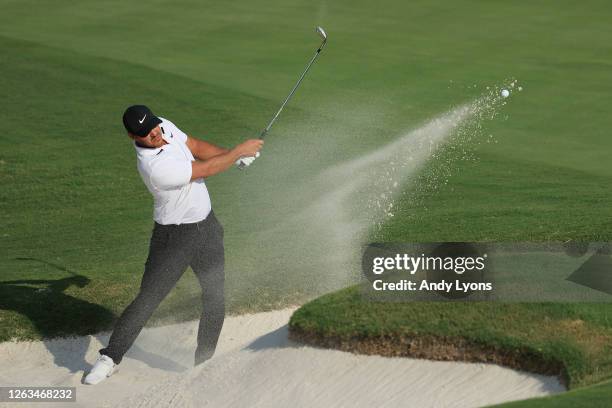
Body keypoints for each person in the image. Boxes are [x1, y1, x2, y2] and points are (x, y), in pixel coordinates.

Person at [84, 105, 263, 385]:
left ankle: (203, 365)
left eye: (154, 126)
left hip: (207, 229)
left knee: (215, 297)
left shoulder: (163, 125)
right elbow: (202, 169)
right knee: (148, 300)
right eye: (146, 133)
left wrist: (230, 156)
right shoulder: (154, 167)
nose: (155, 133)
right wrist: (237, 153)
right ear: (133, 136)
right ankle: (110, 358)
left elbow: (195, 145)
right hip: (174, 239)